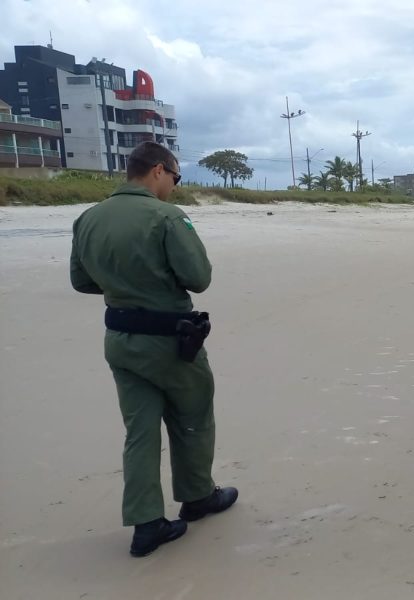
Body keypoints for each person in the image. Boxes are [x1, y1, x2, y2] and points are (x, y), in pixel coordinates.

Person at [70, 142, 238, 557]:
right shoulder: (167, 217)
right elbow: (198, 278)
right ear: (159, 171)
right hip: (170, 340)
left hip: (121, 340)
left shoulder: (88, 218)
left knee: (139, 433)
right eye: (176, 179)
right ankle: (197, 495)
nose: (176, 188)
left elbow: (82, 281)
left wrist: (124, 287)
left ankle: (147, 525)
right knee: (193, 416)